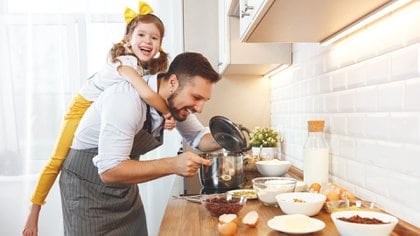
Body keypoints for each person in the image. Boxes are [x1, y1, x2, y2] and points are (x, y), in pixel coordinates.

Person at [22, 2, 175, 235]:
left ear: (160, 45)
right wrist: (167, 112)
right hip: (82, 106)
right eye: (141, 34)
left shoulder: (146, 69)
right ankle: (33, 215)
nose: (147, 41)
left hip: (98, 111)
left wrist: (165, 118)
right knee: (57, 159)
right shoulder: (125, 63)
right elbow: (145, 94)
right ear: (127, 39)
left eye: (154, 38)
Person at [58, 51, 221, 235]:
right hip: (87, 192)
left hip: (123, 190)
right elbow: (109, 171)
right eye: (196, 98)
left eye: (204, 100)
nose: (199, 108)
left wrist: (230, 137)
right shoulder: (126, 99)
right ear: (173, 82)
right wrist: (173, 164)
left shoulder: (174, 104)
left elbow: (199, 137)